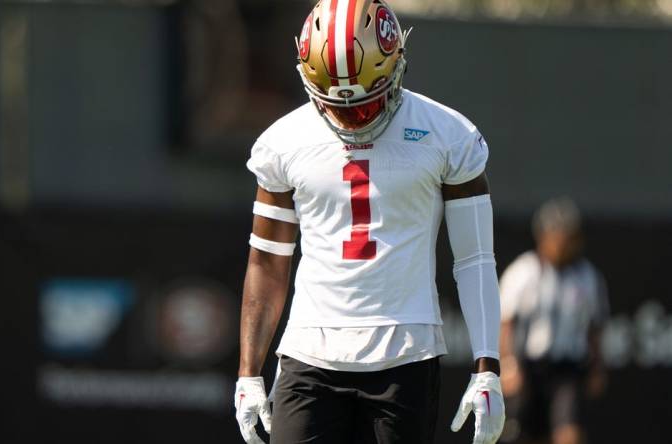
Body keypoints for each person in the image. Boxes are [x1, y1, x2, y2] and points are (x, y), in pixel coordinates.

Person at [234, 1, 505, 443]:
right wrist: (248, 373)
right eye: (337, 105)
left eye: (364, 103)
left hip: (405, 356)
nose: (349, 117)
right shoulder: (283, 143)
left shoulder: (447, 135)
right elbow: (267, 261)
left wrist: (487, 365)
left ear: (397, 64)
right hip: (309, 354)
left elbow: (475, 258)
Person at [499, 197, 609, 444]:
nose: (562, 244)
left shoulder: (587, 276)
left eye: (568, 237)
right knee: (526, 432)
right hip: (529, 367)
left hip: (567, 369)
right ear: (543, 236)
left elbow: (595, 325)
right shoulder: (523, 271)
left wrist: (597, 364)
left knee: (569, 431)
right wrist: (508, 364)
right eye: (557, 236)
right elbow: (506, 323)